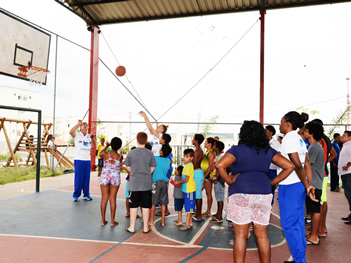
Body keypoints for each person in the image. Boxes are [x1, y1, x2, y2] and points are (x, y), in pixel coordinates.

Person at [216, 120, 295, 263]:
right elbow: (289, 166)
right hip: (263, 193)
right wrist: (272, 182)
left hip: (240, 192)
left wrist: (229, 180)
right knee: (262, 235)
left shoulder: (236, 150)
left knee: (240, 235)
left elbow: (220, 165)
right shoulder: (267, 150)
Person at [278, 111, 316, 263]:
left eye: (281, 122)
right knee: (298, 223)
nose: (279, 125)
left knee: (290, 225)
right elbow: (306, 163)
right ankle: (299, 257)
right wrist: (308, 184)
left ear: (288, 123)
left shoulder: (288, 138)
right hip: (298, 184)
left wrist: (307, 186)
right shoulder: (299, 139)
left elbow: (297, 165)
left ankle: (300, 260)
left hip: (290, 185)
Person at [124, 132, 157, 234]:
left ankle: (132, 227)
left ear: (137, 140)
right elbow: (152, 168)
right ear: (146, 140)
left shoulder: (131, 153)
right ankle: (146, 227)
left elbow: (127, 166)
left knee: (133, 205)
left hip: (134, 184)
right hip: (146, 183)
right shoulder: (150, 153)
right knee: (146, 206)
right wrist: (146, 173)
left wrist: (134, 172)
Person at [312, 119, 337, 237]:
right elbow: (334, 154)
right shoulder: (326, 138)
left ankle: (321, 228)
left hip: (321, 173)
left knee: (321, 201)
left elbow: (333, 154)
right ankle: (321, 227)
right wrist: (325, 161)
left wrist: (322, 162)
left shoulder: (320, 140)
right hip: (323, 172)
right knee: (322, 200)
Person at [304, 122, 325, 245]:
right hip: (316, 182)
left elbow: (307, 165)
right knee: (314, 209)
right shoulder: (316, 146)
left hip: (314, 183)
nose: (304, 132)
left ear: (311, 133)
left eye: (306, 131)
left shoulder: (314, 147)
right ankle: (314, 234)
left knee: (314, 209)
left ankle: (314, 237)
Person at [98, 137, 123, 227]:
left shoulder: (105, 154)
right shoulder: (120, 157)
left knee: (104, 198)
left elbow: (99, 154)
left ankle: (103, 220)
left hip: (105, 176)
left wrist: (106, 146)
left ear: (111, 144)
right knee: (113, 199)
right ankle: (112, 221)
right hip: (115, 177)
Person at [69, 120, 95, 202]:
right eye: (83, 125)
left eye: (86, 125)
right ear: (80, 128)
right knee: (78, 178)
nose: (85, 126)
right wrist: (77, 124)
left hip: (87, 159)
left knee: (86, 178)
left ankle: (86, 194)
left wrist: (92, 137)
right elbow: (71, 132)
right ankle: (76, 195)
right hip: (79, 159)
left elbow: (94, 144)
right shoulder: (77, 135)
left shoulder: (89, 136)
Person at [172, 149, 196, 231]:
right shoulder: (186, 166)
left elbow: (186, 179)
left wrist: (179, 181)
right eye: (184, 156)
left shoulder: (189, 166)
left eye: (187, 157)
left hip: (190, 189)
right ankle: (189, 222)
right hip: (186, 189)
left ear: (191, 158)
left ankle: (187, 224)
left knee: (189, 208)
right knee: (188, 207)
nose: (184, 158)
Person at [149, 144, 172, 227]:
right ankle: (163, 221)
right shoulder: (168, 161)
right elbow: (167, 170)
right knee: (163, 203)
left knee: (153, 203)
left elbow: (151, 168)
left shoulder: (155, 159)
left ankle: (151, 221)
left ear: (161, 151)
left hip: (155, 182)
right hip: (164, 182)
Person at [210, 140, 225, 223]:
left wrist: (218, 179)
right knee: (218, 196)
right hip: (216, 179)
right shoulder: (217, 156)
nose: (213, 146)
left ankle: (219, 216)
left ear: (217, 148)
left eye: (214, 145)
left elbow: (223, 169)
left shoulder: (221, 157)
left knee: (220, 197)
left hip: (219, 180)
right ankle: (218, 213)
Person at [265, 125, 281, 204]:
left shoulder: (276, 144)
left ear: (271, 133)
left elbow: (278, 156)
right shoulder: (263, 142)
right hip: (264, 168)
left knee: (271, 188)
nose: (265, 133)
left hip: (272, 169)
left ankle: (270, 205)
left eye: (266, 132)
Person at [201, 137, 216, 217]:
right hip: (204, 175)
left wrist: (205, 176)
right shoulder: (207, 152)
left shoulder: (211, 153)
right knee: (199, 191)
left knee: (208, 193)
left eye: (205, 142)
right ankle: (201, 209)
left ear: (209, 144)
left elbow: (210, 166)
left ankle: (208, 211)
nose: (204, 143)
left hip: (208, 176)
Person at [338, 131, 351, 224]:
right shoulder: (346, 145)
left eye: (344, 135)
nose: (342, 136)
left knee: (350, 194)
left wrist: (347, 166)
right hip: (345, 174)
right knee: (348, 194)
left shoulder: (350, 145)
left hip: (349, 173)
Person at [192, 134, 205, 222]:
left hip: (196, 172)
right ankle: (198, 213)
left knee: (198, 195)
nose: (192, 140)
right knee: (197, 195)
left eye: (193, 138)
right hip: (198, 172)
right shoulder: (199, 150)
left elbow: (195, 164)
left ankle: (199, 215)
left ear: (196, 141)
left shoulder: (197, 152)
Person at [124, 146, 136, 217]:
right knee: (133, 197)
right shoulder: (136, 160)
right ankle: (129, 212)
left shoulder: (129, 159)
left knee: (128, 197)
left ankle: (128, 212)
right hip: (133, 180)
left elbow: (122, 163)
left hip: (129, 180)